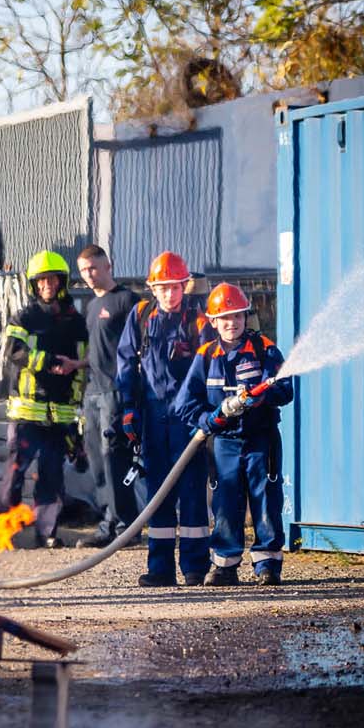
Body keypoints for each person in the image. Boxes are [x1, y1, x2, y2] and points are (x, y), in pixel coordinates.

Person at [174, 283, 294, 586]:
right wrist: (210, 419)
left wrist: (263, 397)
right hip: (223, 443)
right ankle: (225, 565)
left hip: (260, 439)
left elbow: (285, 389)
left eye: (237, 316)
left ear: (245, 317)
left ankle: (267, 564)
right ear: (213, 322)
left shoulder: (264, 349)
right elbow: (184, 405)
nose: (232, 323)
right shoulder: (205, 356)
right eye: (225, 318)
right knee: (226, 502)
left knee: (265, 498)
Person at [116, 251, 211, 587]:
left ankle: (194, 567)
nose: (171, 294)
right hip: (154, 420)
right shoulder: (140, 318)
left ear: (185, 286)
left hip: (189, 421)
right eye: (164, 287)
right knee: (158, 494)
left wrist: (208, 416)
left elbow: (211, 371)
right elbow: (126, 365)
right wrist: (128, 409)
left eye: (176, 287)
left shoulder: (198, 323)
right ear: (152, 288)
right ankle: (160, 568)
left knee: (193, 494)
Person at [0, 251, 89, 548]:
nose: (48, 285)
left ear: (62, 282)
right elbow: (14, 351)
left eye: (53, 279)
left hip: (60, 414)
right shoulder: (25, 316)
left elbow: (81, 367)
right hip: (26, 412)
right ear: (34, 285)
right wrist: (48, 361)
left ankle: (46, 533)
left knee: (51, 477)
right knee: (15, 473)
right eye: (42, 280)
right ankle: (5, 532)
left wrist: (77, 418)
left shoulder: (76, 321)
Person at [74, 245, 145, 548]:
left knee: (114, 457)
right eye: (83, 270)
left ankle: (126, 526)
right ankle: (108, 521)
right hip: (93, 390)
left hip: (116, 391)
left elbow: (143, 346)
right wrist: (76, 365)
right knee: (96, 460)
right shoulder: (91, 306)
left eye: (93, 268)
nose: (89, 275)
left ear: (108, 266)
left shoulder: (128, 301)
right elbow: (96, 351)